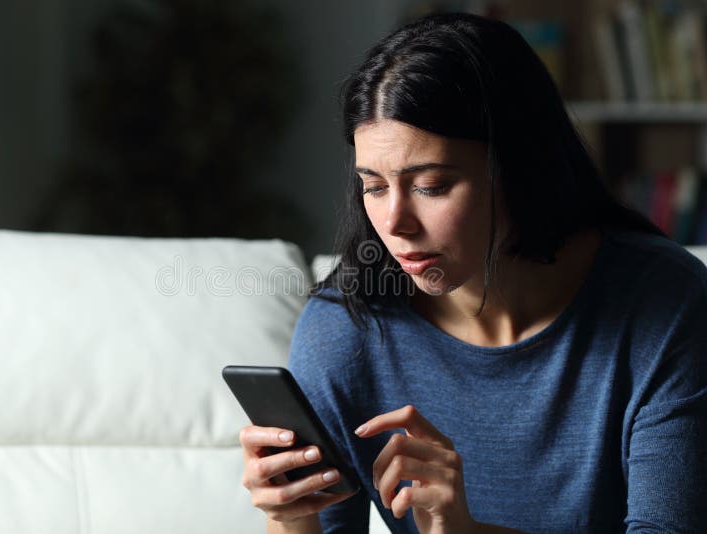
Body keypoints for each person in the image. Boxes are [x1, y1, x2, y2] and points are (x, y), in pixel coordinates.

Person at [238, 12, 707, 533]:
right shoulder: (346, 326)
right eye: (372, 185)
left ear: (519, 169)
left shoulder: (666, 303)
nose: (395, 223)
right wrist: (287, 515)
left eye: (432, 185)